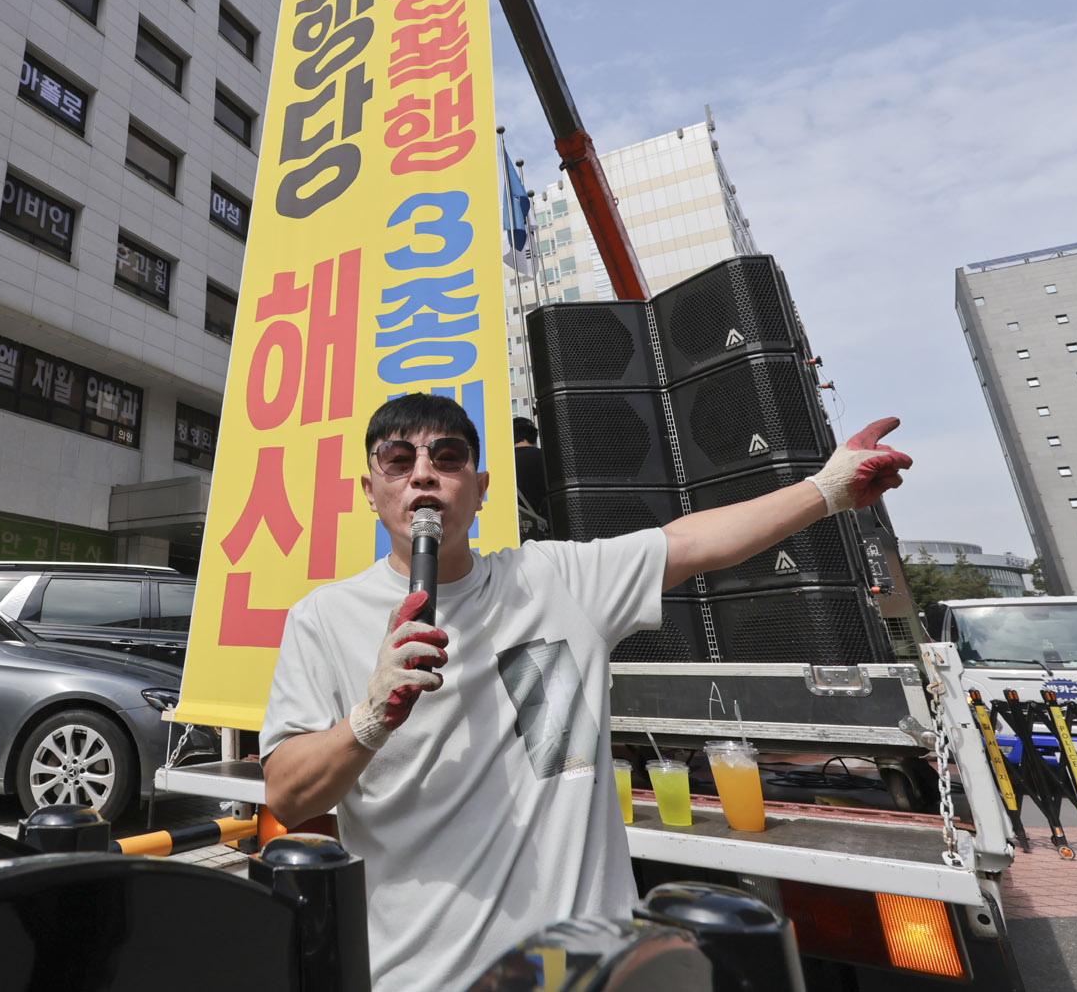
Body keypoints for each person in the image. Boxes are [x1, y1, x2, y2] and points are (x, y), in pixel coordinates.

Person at [260, 392, 909, 992]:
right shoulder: (324, 617)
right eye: (398, 462)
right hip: (418, 977)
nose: (423, 475)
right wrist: (368, 720)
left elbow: (692, 542)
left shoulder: (554, 580)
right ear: (369, 492)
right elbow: (289, 794)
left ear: (481, 489)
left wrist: (826, 489)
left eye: (448, 458)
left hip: (589, 969)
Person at [510, 415, 550, 538]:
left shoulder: (503, 464)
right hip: (549, 533)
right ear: (534, 436)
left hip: (515, 534)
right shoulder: (548, 457)